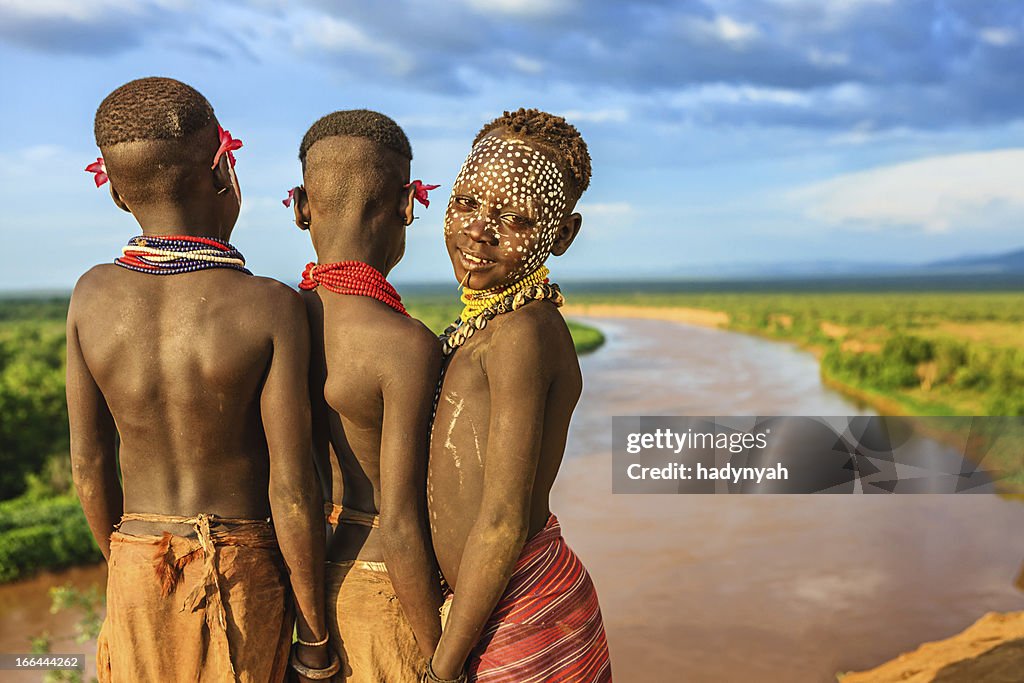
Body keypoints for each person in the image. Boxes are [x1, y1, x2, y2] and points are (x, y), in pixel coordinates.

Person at [67, 77, 333, 682]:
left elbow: (88, 466)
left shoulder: (92, 296)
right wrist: (314, 640)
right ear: (223, 171)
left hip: (134, 559)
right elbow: (293, 490)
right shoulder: (268, 306)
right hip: (240, 574)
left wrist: (126, 570)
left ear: (114, 193)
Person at [426, 108, 612, 682]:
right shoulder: (492, 325)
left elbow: (504, 522)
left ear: (562, 235)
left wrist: (441, 669)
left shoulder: (522, 333)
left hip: (524, 613)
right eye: (466, 204)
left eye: (515, 219)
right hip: (500, 609)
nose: (480, 231)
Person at [288, 109, 443, 681]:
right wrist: (443, 658)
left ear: (302, 205)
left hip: (299, 594)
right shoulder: (406, 346)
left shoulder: (275, 319)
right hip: (385, 587)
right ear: (407, 204)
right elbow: (399, 522)